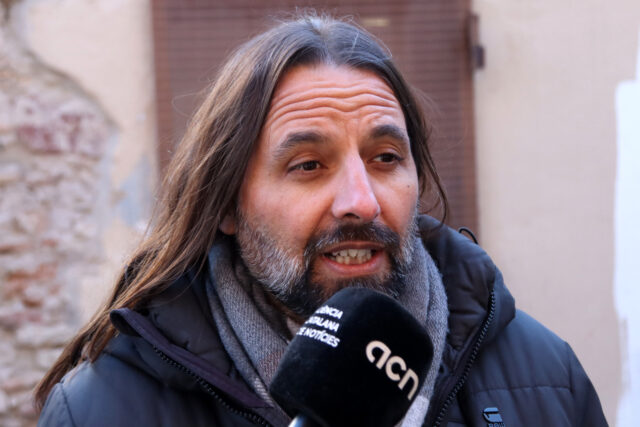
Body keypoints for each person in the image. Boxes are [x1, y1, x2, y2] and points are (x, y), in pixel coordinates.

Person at [35, 14, 607, 426]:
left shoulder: (547, 376)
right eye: (309, 165)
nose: (362, 201)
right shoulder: (100, 410)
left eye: (386, 158)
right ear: (226, 204)